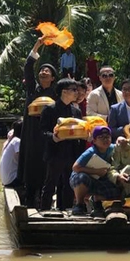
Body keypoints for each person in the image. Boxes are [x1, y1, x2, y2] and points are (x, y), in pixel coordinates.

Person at [18, 37, 57, 207]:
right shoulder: (32, 89)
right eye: (41, 70)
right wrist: (37, 45)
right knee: (30, 160)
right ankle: (29, 194)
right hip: (31, 131)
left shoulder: (56, 93)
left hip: (46, 132)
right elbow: (28, 68)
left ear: (53, 78)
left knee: (45, 161)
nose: (43, 72)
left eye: (47, 71)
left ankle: (43, 195)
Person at [39, 78, 86, 210]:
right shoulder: (49, 109)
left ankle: (66, 210)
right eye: (74, 90)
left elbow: (80, 133)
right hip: (55, 152)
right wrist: (53, 137)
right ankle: (45, 211)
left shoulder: (76, 111)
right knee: (50, 184)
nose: (77, 93)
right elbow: (42, 132)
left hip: (71, 153)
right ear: (64, 92)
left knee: (69, 184)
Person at [70, 126, 121, 216]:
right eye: (101, 137)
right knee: (82, 178)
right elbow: (75, 168)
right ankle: (79, 204)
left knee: (115, 189)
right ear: (94, 140)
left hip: (100, 179)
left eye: (107, 137)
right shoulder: (90, 152)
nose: (105, 140)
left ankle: (96, 201)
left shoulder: (114, 149)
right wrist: (96, 171)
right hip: (80, 179)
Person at [0, 119, 23, 187]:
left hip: (6, 180)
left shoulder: (9, 141)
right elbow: (22, 161)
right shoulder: (17, 141)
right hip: (11, 180)